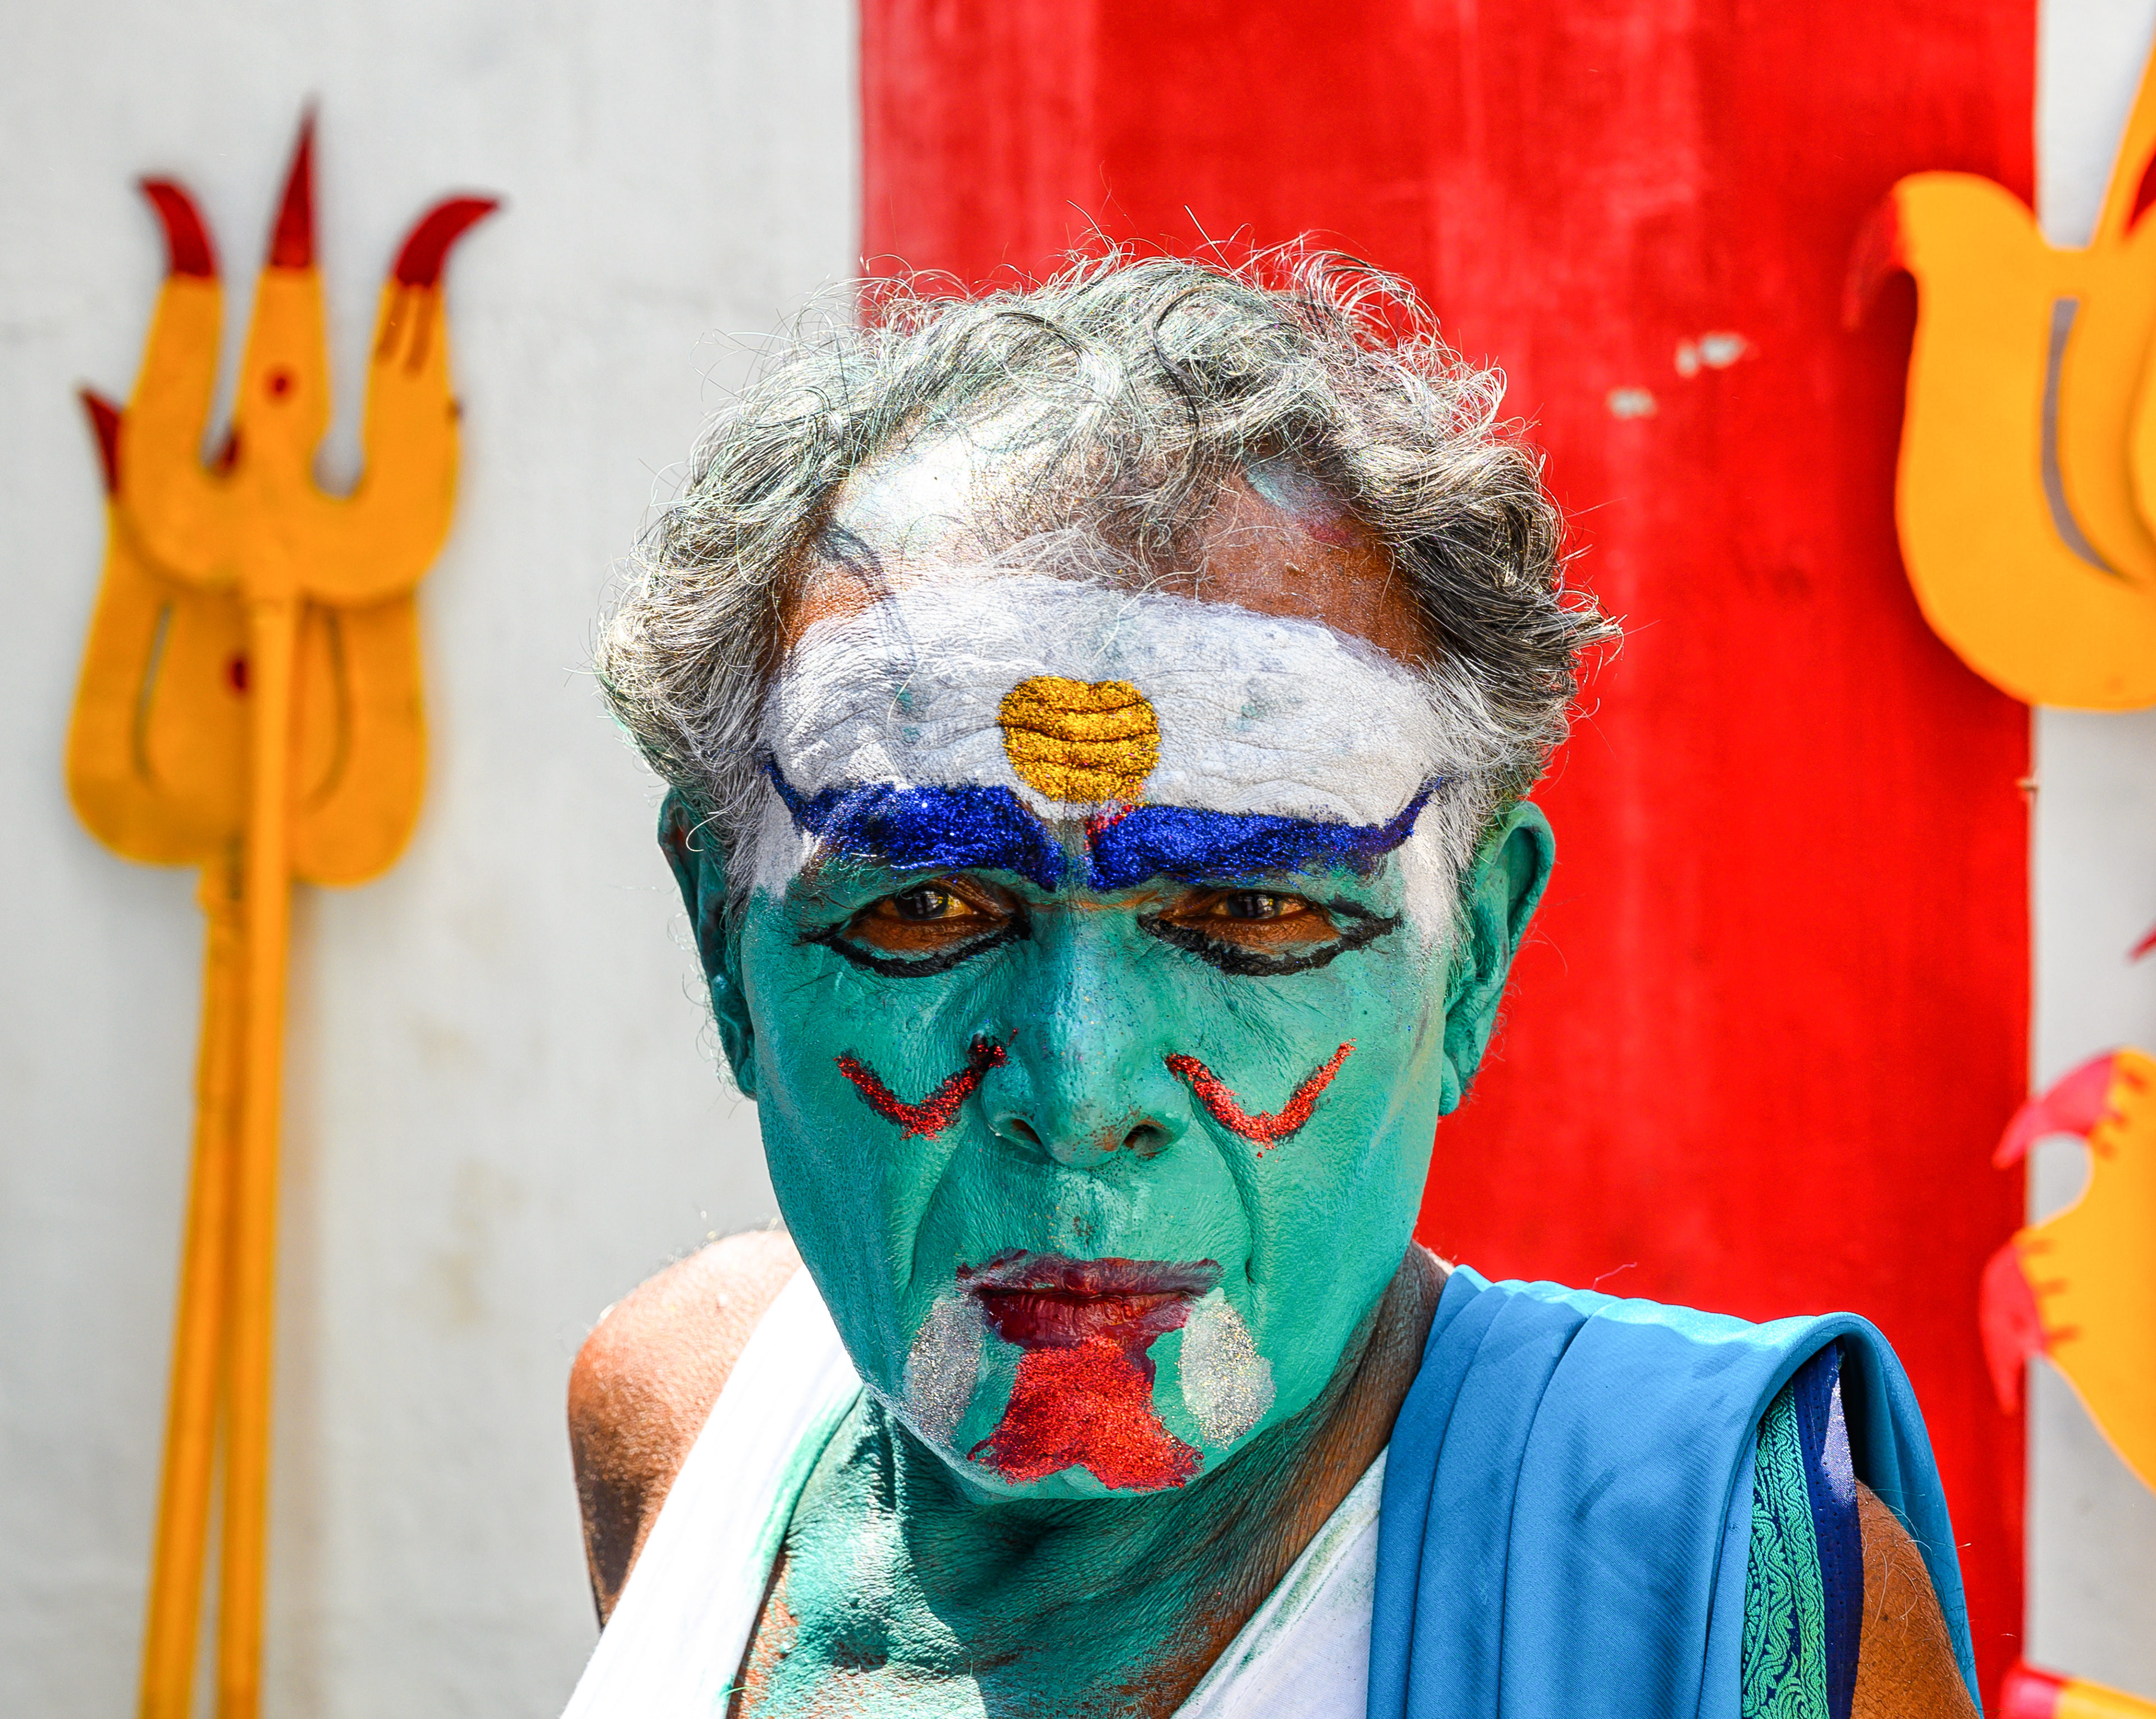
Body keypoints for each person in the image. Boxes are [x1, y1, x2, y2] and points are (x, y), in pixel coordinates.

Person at [560, 253, 1980, 1718]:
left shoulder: (1714, 1598)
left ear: (1473, 957)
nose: (1084, 1090)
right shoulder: (691, 1411)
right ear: (724, 941)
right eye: (930, 907)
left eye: (1249, 912)